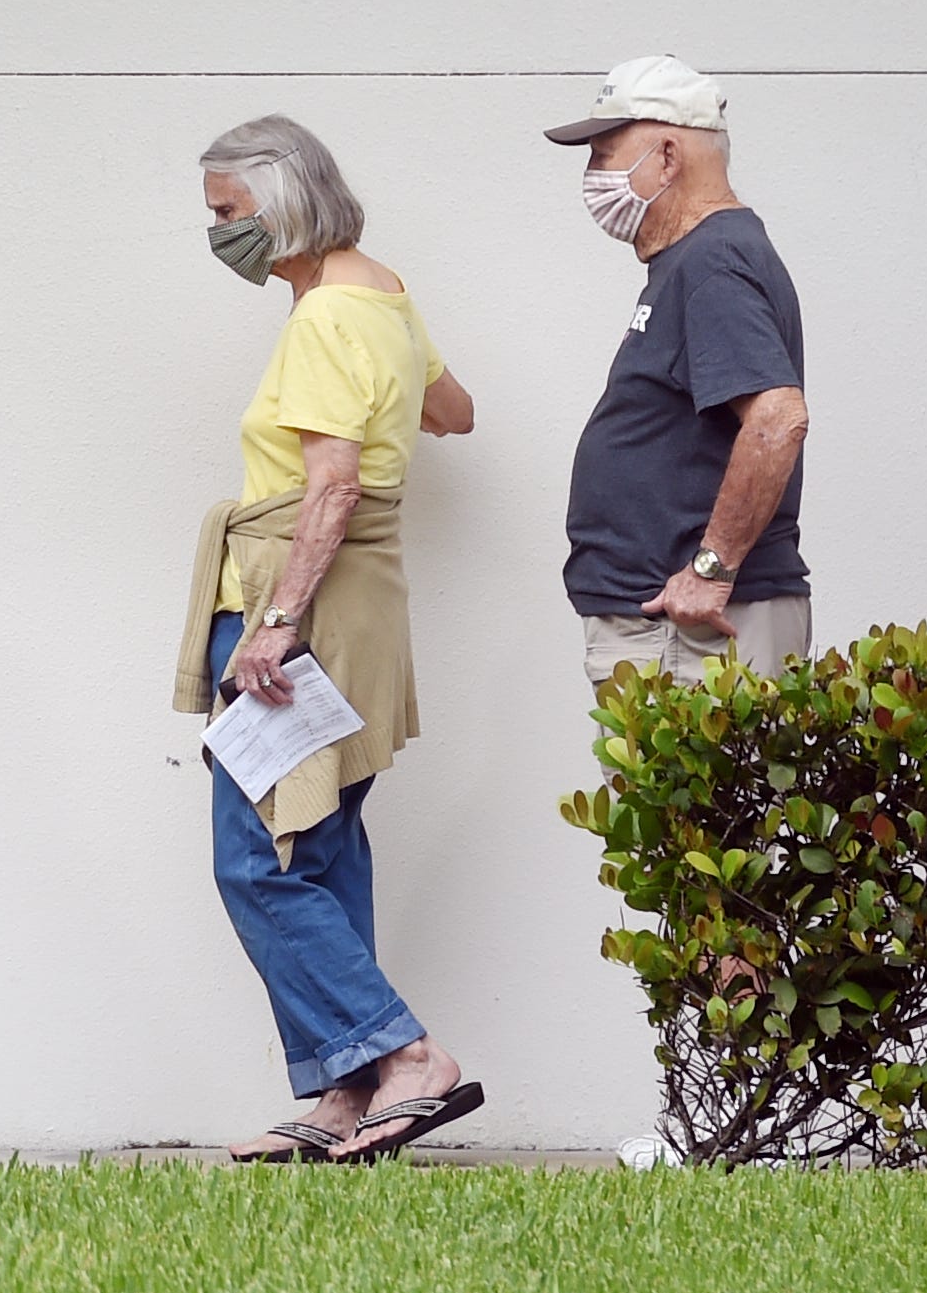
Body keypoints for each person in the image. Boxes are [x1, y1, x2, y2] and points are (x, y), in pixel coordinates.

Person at [178, 115, 486, 1165]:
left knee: (255, 854)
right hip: (369, 597)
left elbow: (334, 481)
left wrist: (275, 621)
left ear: (281, 198)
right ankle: (345, 1093)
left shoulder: (321, 320)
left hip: (305, 593)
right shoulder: (382, 296)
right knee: (319, 842)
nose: (219, 233)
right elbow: (453, 410)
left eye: (227, 213)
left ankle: (402, 1055)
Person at [551, 56, 813, 682]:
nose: (592, 175)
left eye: (604, 153)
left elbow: (778, 417)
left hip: (690, 636)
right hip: (674, 629)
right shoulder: (698, 260)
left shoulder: (712, 261)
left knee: (692, 786)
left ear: (667, 156)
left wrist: (709, 572)